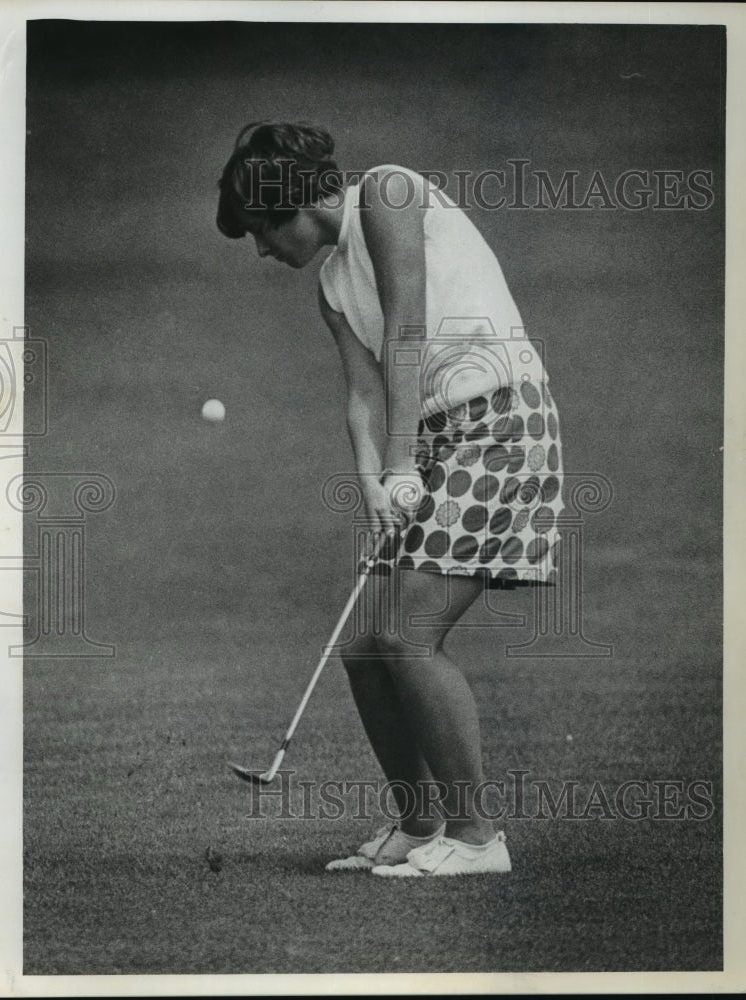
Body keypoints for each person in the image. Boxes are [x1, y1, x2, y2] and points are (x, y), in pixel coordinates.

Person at [217, 122, 564, 877]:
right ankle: (418, 825)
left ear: (293, 206)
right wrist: (375, 478)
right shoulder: (331, 288)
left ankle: (476, 840)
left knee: (408, 636)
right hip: (432, 439)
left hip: (500, 422)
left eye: (260, 231)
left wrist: (405, 460)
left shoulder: (390, 190)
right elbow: (362, 394)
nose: (262, 252)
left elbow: (406, 327)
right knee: (367, 651)